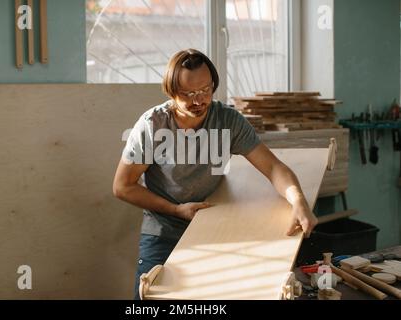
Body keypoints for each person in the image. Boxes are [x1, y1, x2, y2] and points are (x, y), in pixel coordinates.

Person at [112, 48, 318, 300]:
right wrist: (176, 210)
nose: (199, 101)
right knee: (149, 299)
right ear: (171, 91)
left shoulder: (228, 120)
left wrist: (298, 200)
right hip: (164, 230)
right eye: (188, 94)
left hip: (215, 225)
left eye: (205, 90)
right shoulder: (152, 124)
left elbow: (273, 167)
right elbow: (123, 186)